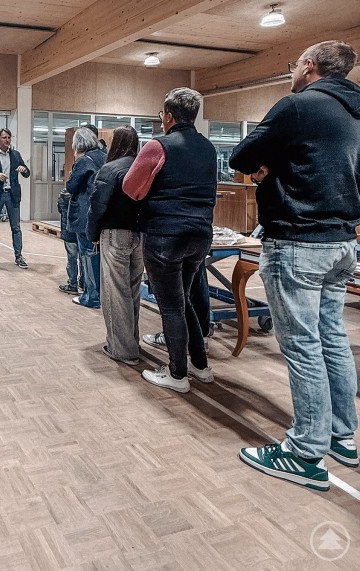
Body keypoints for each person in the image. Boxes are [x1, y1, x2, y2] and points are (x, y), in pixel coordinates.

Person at [230, 40, 360, 491]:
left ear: (308, 65)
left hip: (298, 239)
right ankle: (342, 436)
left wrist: (270, 167)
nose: (292, 72)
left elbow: (241, 157)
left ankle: (305, 452)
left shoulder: (299, 105)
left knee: (303, 346)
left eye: (293, 64)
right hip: (343, 241)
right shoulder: (356, 111)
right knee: (332, 339)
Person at [123, 87, 217, 393]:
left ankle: (177, 374)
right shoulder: (208, 148)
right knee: (184, 299)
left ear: (168, 117)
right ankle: (200, 365)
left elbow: (131, 188)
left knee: (171, 306)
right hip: (199, 235)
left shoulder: (158, 145)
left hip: (165, 235)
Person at [87, 125, 142, 365]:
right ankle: (132, 341)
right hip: (140, 235)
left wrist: (92, 233)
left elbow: (98, 205)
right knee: (132, 291)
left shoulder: (110, 169)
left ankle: (122, 349)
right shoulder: (143, 168)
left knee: (115, 293)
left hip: (115, 235)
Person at [66, 126, 106, 308]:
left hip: (84, 215)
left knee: (88, 256)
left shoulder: (83, 161)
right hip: (101, 213)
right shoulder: (104, 157)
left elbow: (71, 186)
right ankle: (98, 294)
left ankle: (91, 297)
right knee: (98, 257)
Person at [0, 128, 31, 269]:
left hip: (12, 195)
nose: (7, 140)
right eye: (4, 137)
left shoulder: (16, 155)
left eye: (9, 137)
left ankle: (19, 257)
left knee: (16, 227)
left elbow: (27, 173)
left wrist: (24, 170)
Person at [57, 187, 82, 294]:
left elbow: (59, 209)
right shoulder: (84, 195)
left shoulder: (63, 194)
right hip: (81, 229)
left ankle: (72, 284)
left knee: (72, 258)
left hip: (68, 230)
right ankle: (83, 282)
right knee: (84, 257)